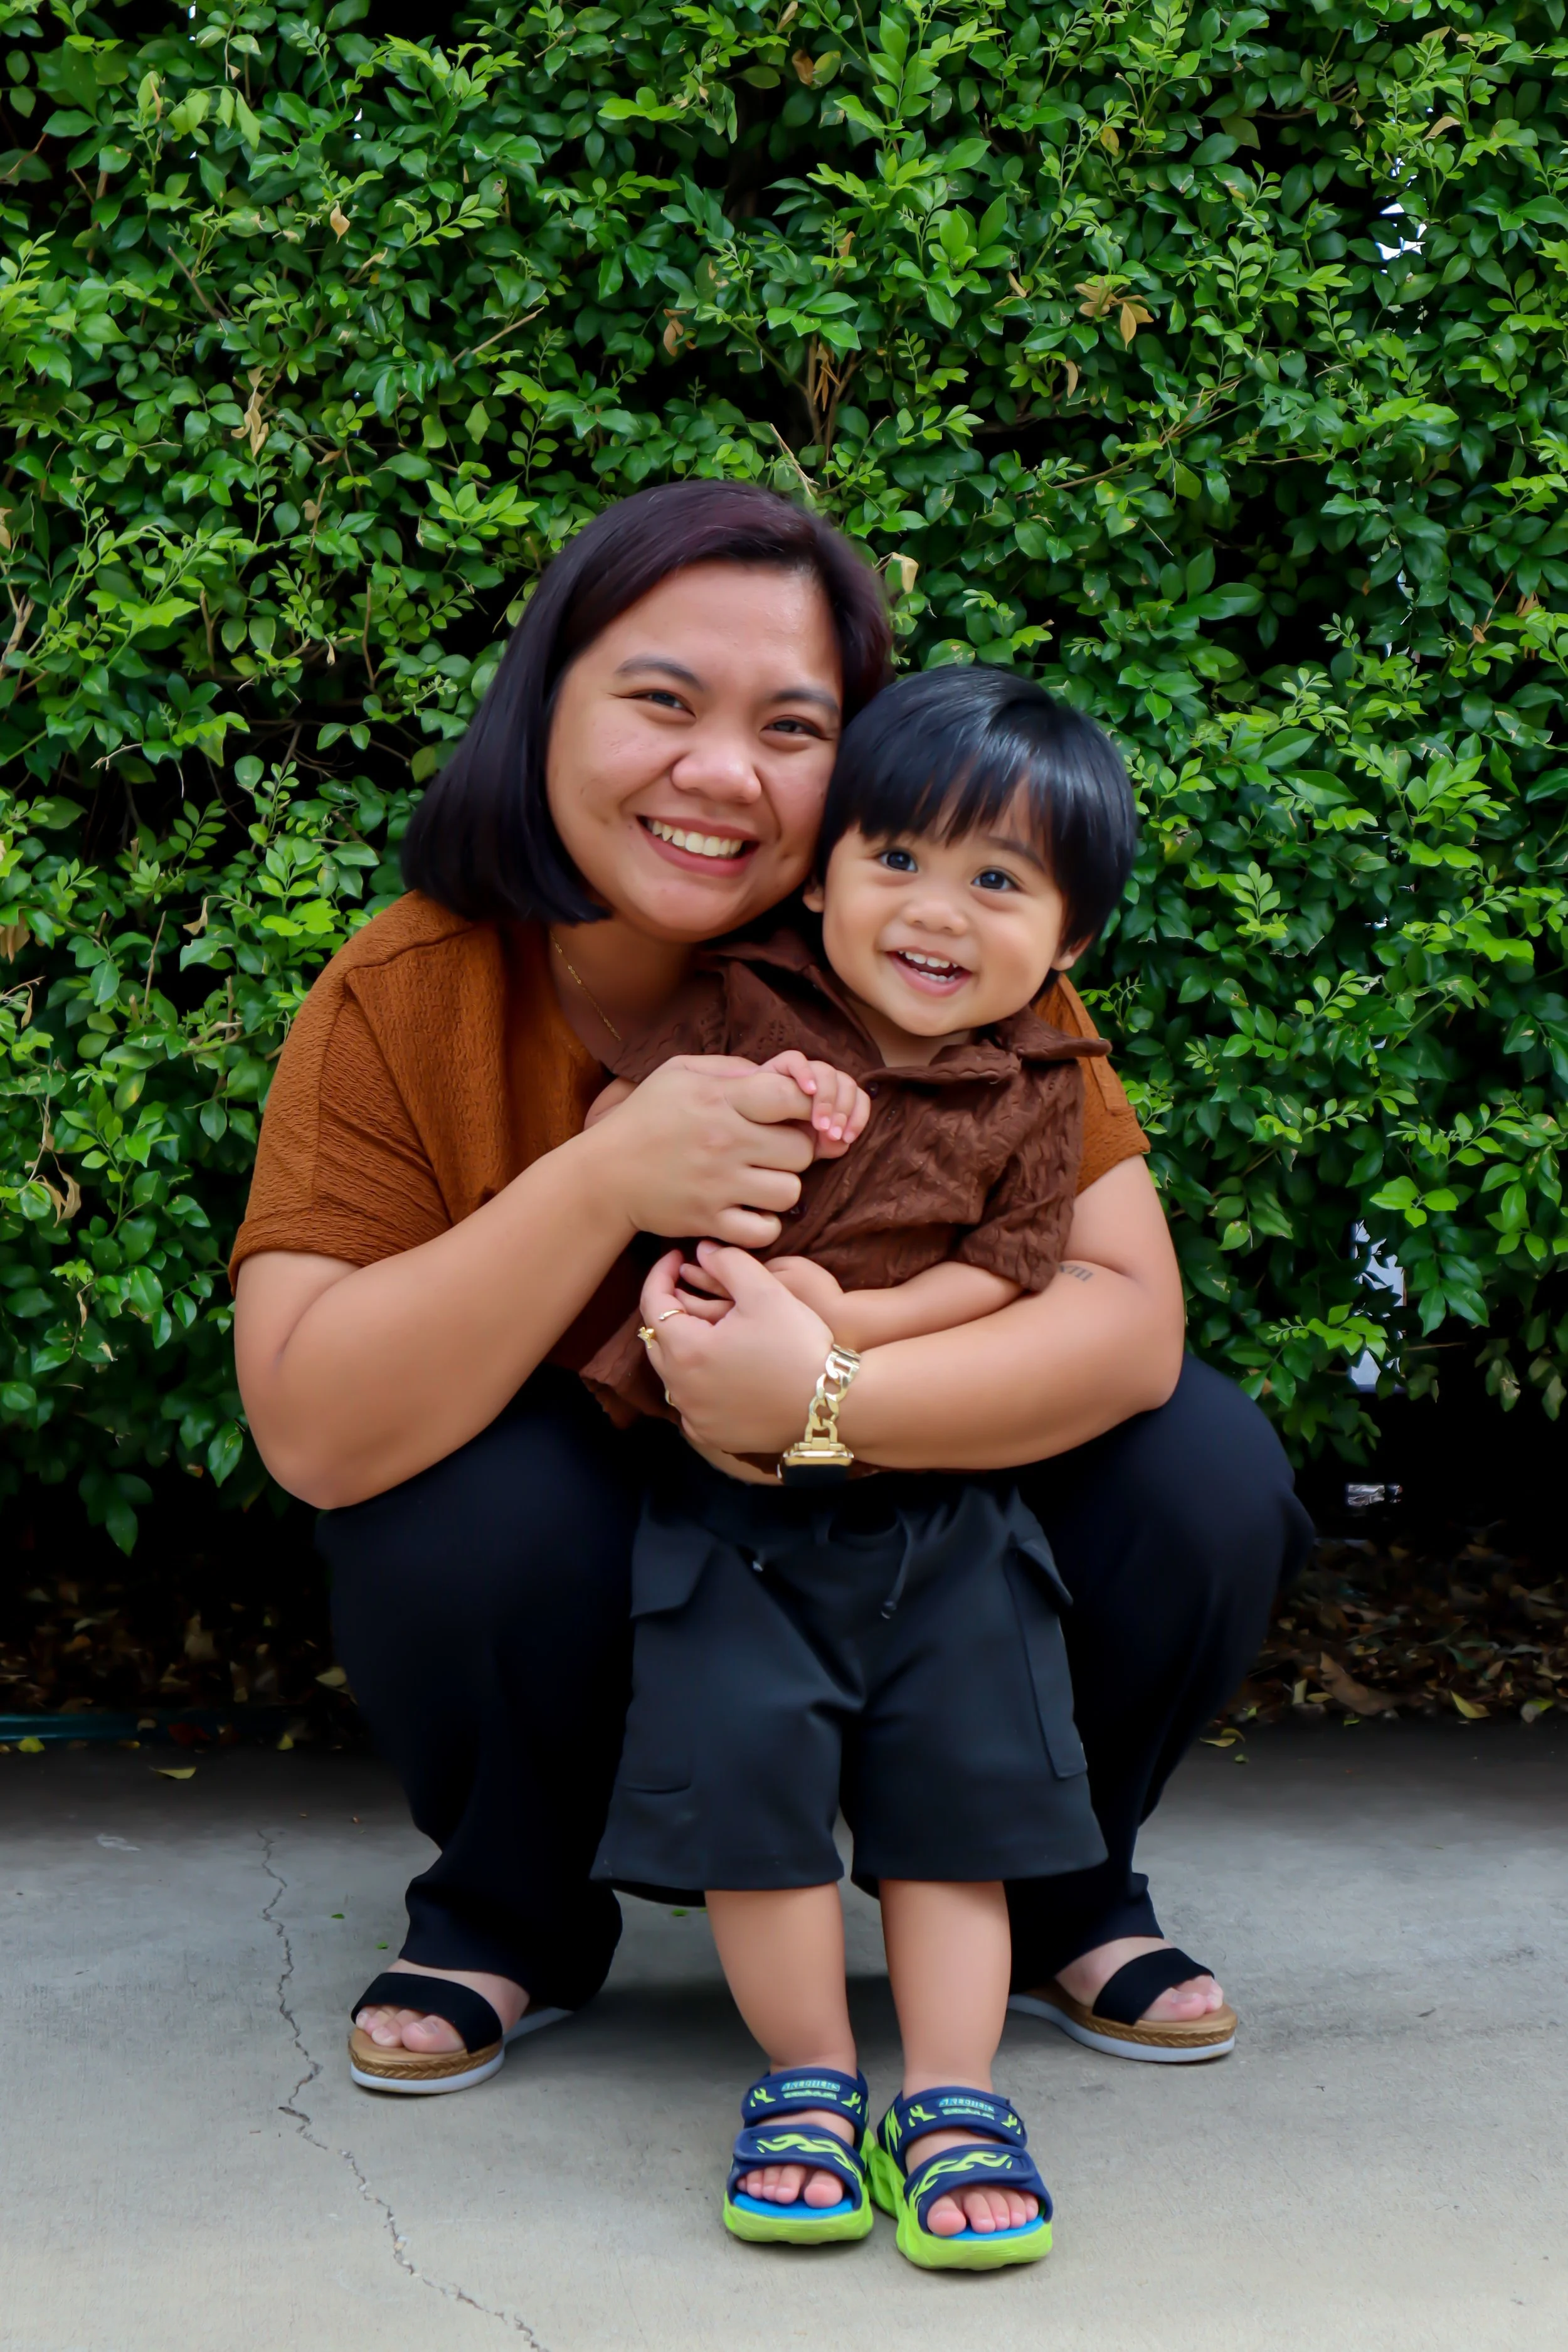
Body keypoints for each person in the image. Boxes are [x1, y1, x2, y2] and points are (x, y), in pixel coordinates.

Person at [231, 479, 1311, 2108]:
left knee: (1199, 1469)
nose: (723, 772)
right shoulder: (411, 985)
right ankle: (511, 1905)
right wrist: (602, 1177)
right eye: (661, 701)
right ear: (542, 707)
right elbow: (315, 1425)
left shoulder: (949, 957)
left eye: (791, 727)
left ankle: (1058, 1886)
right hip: (608, 1519)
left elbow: (1122, 1318)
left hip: (906, 1502)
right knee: (454, 1511)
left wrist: (823, 1396)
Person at [585, 665, 1137, 2268]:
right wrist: (756, 1103)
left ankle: (954, 2091)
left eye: (998, 883)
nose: (933, 911)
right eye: (894, 859)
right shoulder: (739, 999)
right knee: (750, 1797)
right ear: (820, 876)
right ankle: (809, 2077)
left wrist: (855, 1325)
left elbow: (1013, 1270)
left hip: (944, 1516)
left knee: (956, 1807)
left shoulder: (1044, 1086)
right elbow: (625, 1127)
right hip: (730, 1514)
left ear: (1071, 941)